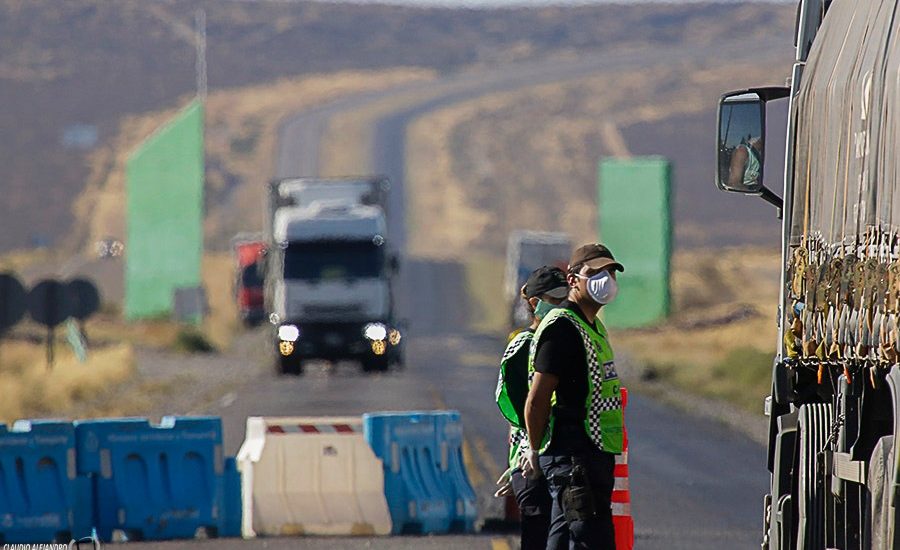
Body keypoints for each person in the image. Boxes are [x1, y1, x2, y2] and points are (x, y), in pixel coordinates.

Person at [523, 243, 625, 550]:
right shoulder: (562, 329)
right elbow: (537, 400)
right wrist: (533, 449)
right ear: (573, 281)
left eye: (610, 273)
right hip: (571, 457)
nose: (605, 280)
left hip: (592, 455)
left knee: (565, 537)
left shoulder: (592, 327)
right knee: (587, 539)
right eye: (595, 273)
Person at [494, 265, 568, 550]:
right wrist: (530, 448)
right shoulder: (525, 344)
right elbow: (518, 405)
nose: (562, 307)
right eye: (555, 299)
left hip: (554, 459)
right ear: (535, 303)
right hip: (532, 464)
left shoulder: (562, 339)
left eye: (566, 299)